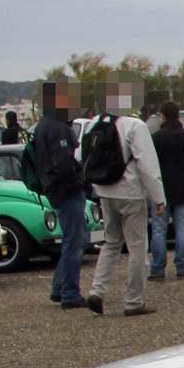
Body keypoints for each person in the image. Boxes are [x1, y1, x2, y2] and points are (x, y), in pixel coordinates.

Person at [78, 86, 166, 316]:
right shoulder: (135, 125)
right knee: (137, 247)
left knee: (111, 242)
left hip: (105, 190)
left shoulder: (95, 123)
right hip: (130, 192)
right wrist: (158, 198)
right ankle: (133, 301)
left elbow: (81, 156)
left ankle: (97, 291)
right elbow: (148, 166)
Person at [31, 80, 89, 309]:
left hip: (54, 188)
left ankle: (60, 288)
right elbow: (63, 162)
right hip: (65, 190)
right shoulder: (57, 126)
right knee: (75, 241)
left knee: (71, 240)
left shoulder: (44, 123)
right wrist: (78, 184)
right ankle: (70, 293)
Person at [149, 101, 184, 280]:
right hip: (182, 189)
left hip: (160, 192)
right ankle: (182, 266)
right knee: (182, 229)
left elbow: (149, 166)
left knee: (158, 230)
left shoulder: (156, 138)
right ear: (178, 115)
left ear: (162, 116)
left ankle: (157, 268)